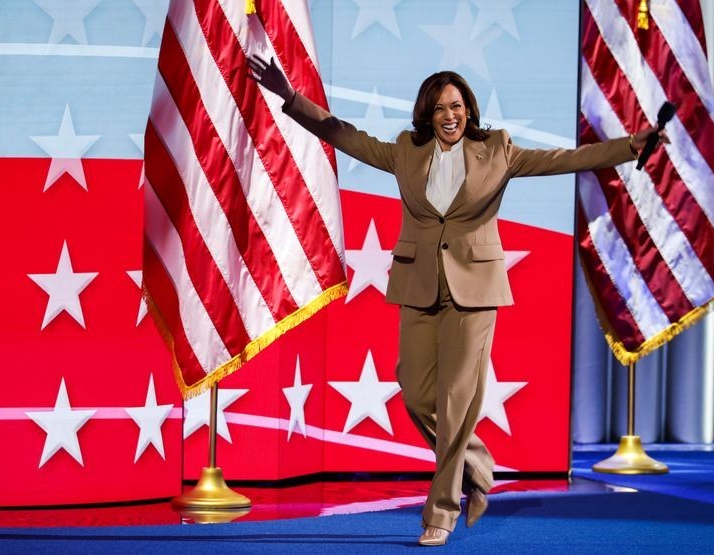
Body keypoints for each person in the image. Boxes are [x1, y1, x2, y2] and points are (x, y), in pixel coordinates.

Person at [249, 55, 664, 546]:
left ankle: (440, 511)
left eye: (459, 105)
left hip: (475, 291)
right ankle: (476, 465)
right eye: (442, 107)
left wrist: (627, 148)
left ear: (469, 108)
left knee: (455, 402)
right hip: (419, 287)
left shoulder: (498, 149)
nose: (451, 115)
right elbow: (343, 133)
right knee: (415, 392)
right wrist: (289, 97)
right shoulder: (407, 150)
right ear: (427, 113)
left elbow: (564, 160)